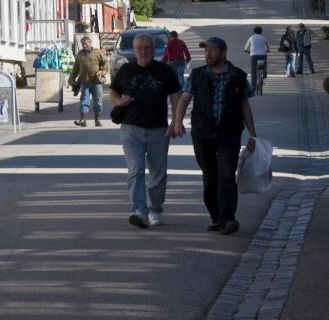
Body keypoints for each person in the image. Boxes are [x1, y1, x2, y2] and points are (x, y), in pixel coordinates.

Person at [172, 38, 256, 236]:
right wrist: (177, 121)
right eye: (206, 51)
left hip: (229, 132)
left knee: (227, 175)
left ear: (223, 52)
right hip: (202, 133)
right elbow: (184, 99)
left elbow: (245, 104)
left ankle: (228, 219)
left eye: (212, 50)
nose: (208, 54)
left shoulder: (238, 76)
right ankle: (217, 217)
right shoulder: (197, 75)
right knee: (210, 178)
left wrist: (253, 134)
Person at [111, 31, 184, 229]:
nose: (143, 52)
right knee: (135, 171)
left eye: (147, 48)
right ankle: (139, 211)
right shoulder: (126, 69)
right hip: (130, 128)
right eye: (139, 49)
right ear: (134, 50)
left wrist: (176, 121)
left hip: (158, 130)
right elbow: (113, 90)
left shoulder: (164, 71)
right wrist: (119, 101)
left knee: (158, 174)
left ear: (154, 50)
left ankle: (156, 209)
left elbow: (175, 96)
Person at [69, 36, 108, 127]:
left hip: (96, 82)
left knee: (97, 101)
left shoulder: (97, 52)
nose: (84, 45)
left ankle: (97, 120)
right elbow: (76, 68)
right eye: (82, 44)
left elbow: (105, 62)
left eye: (86, 43)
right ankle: (83, 120)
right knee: (84, 100)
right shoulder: (79, 54)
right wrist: (72, 78)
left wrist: (102, 71)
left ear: (90, 43)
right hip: (84, 82)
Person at [245, 27, 269, 94]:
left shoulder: (251, 37)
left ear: (254, 31)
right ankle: (264, 72)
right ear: (261, 31)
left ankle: (253, 84)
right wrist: (268, 50)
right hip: (262, 54)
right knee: (264, 62)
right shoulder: (264, 37)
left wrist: (246, 50)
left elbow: (246, 46)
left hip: (254, 55)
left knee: (253, 69)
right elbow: (267, 46)